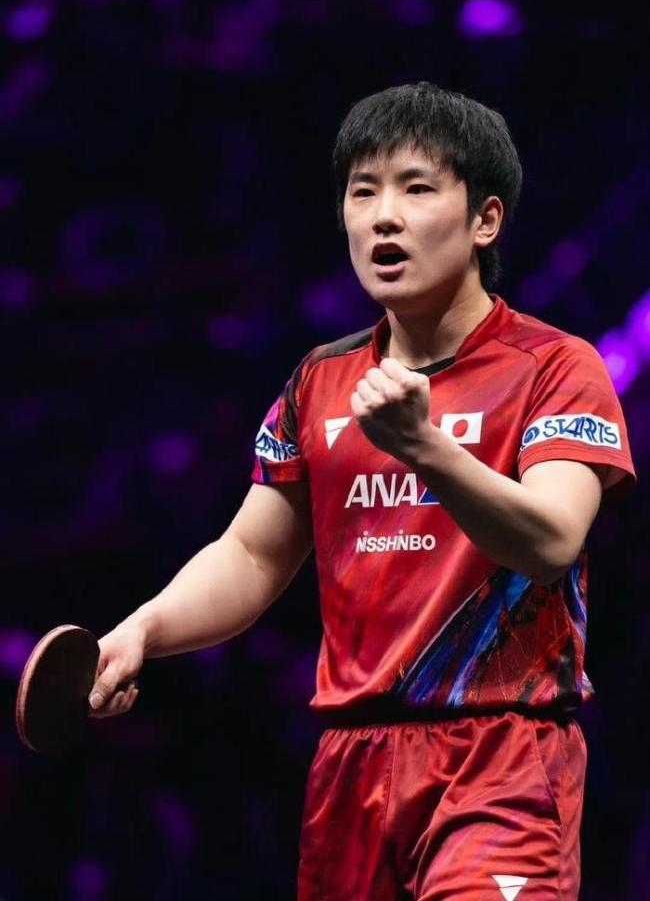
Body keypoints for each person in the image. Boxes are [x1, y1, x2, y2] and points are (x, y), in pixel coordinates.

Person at [88, 82, 636, 899]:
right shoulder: (320, 380)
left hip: (500, 757)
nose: (384, 217)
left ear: (485, 220)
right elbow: (251, 555)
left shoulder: (556, 368)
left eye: (416, 189)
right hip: (351, 769)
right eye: (362, 191)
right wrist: (145, 628)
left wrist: (425, 448)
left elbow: (553, 540)